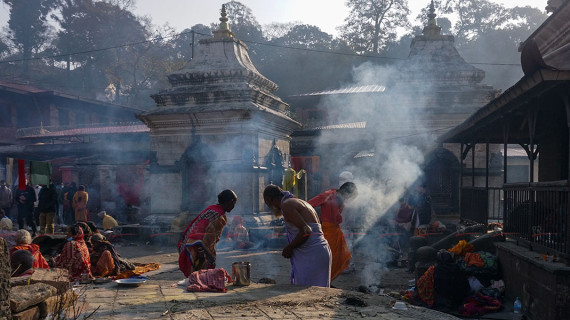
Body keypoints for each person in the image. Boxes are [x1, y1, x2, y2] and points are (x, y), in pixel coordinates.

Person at [263, 184, 332, 287]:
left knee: (307, 294)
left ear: (269, 200)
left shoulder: (287, 205)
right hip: (319, 252)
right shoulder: (298, 202)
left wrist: (290, 247)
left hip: (311, 255)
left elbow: (306, 230)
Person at [178, 189, 238, 277]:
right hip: (194, 246)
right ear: (231, 202)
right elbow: (209, 238)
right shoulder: (218, 216)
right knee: (205, 270)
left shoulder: (213, 209)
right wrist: (208, 253)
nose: (234, 206)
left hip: (189, 243)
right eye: (234, 203)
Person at [308, 182, 357, 281]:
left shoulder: (339, 198)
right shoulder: (328, 195)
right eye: (348, 196)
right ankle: (321, 281)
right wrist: (313, 221)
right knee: (328, 258)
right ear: (344, 192)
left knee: (340, 258)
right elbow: (308, 204)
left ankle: (327, 281)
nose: (347, 199)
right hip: (328, 231)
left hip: (336, 230)